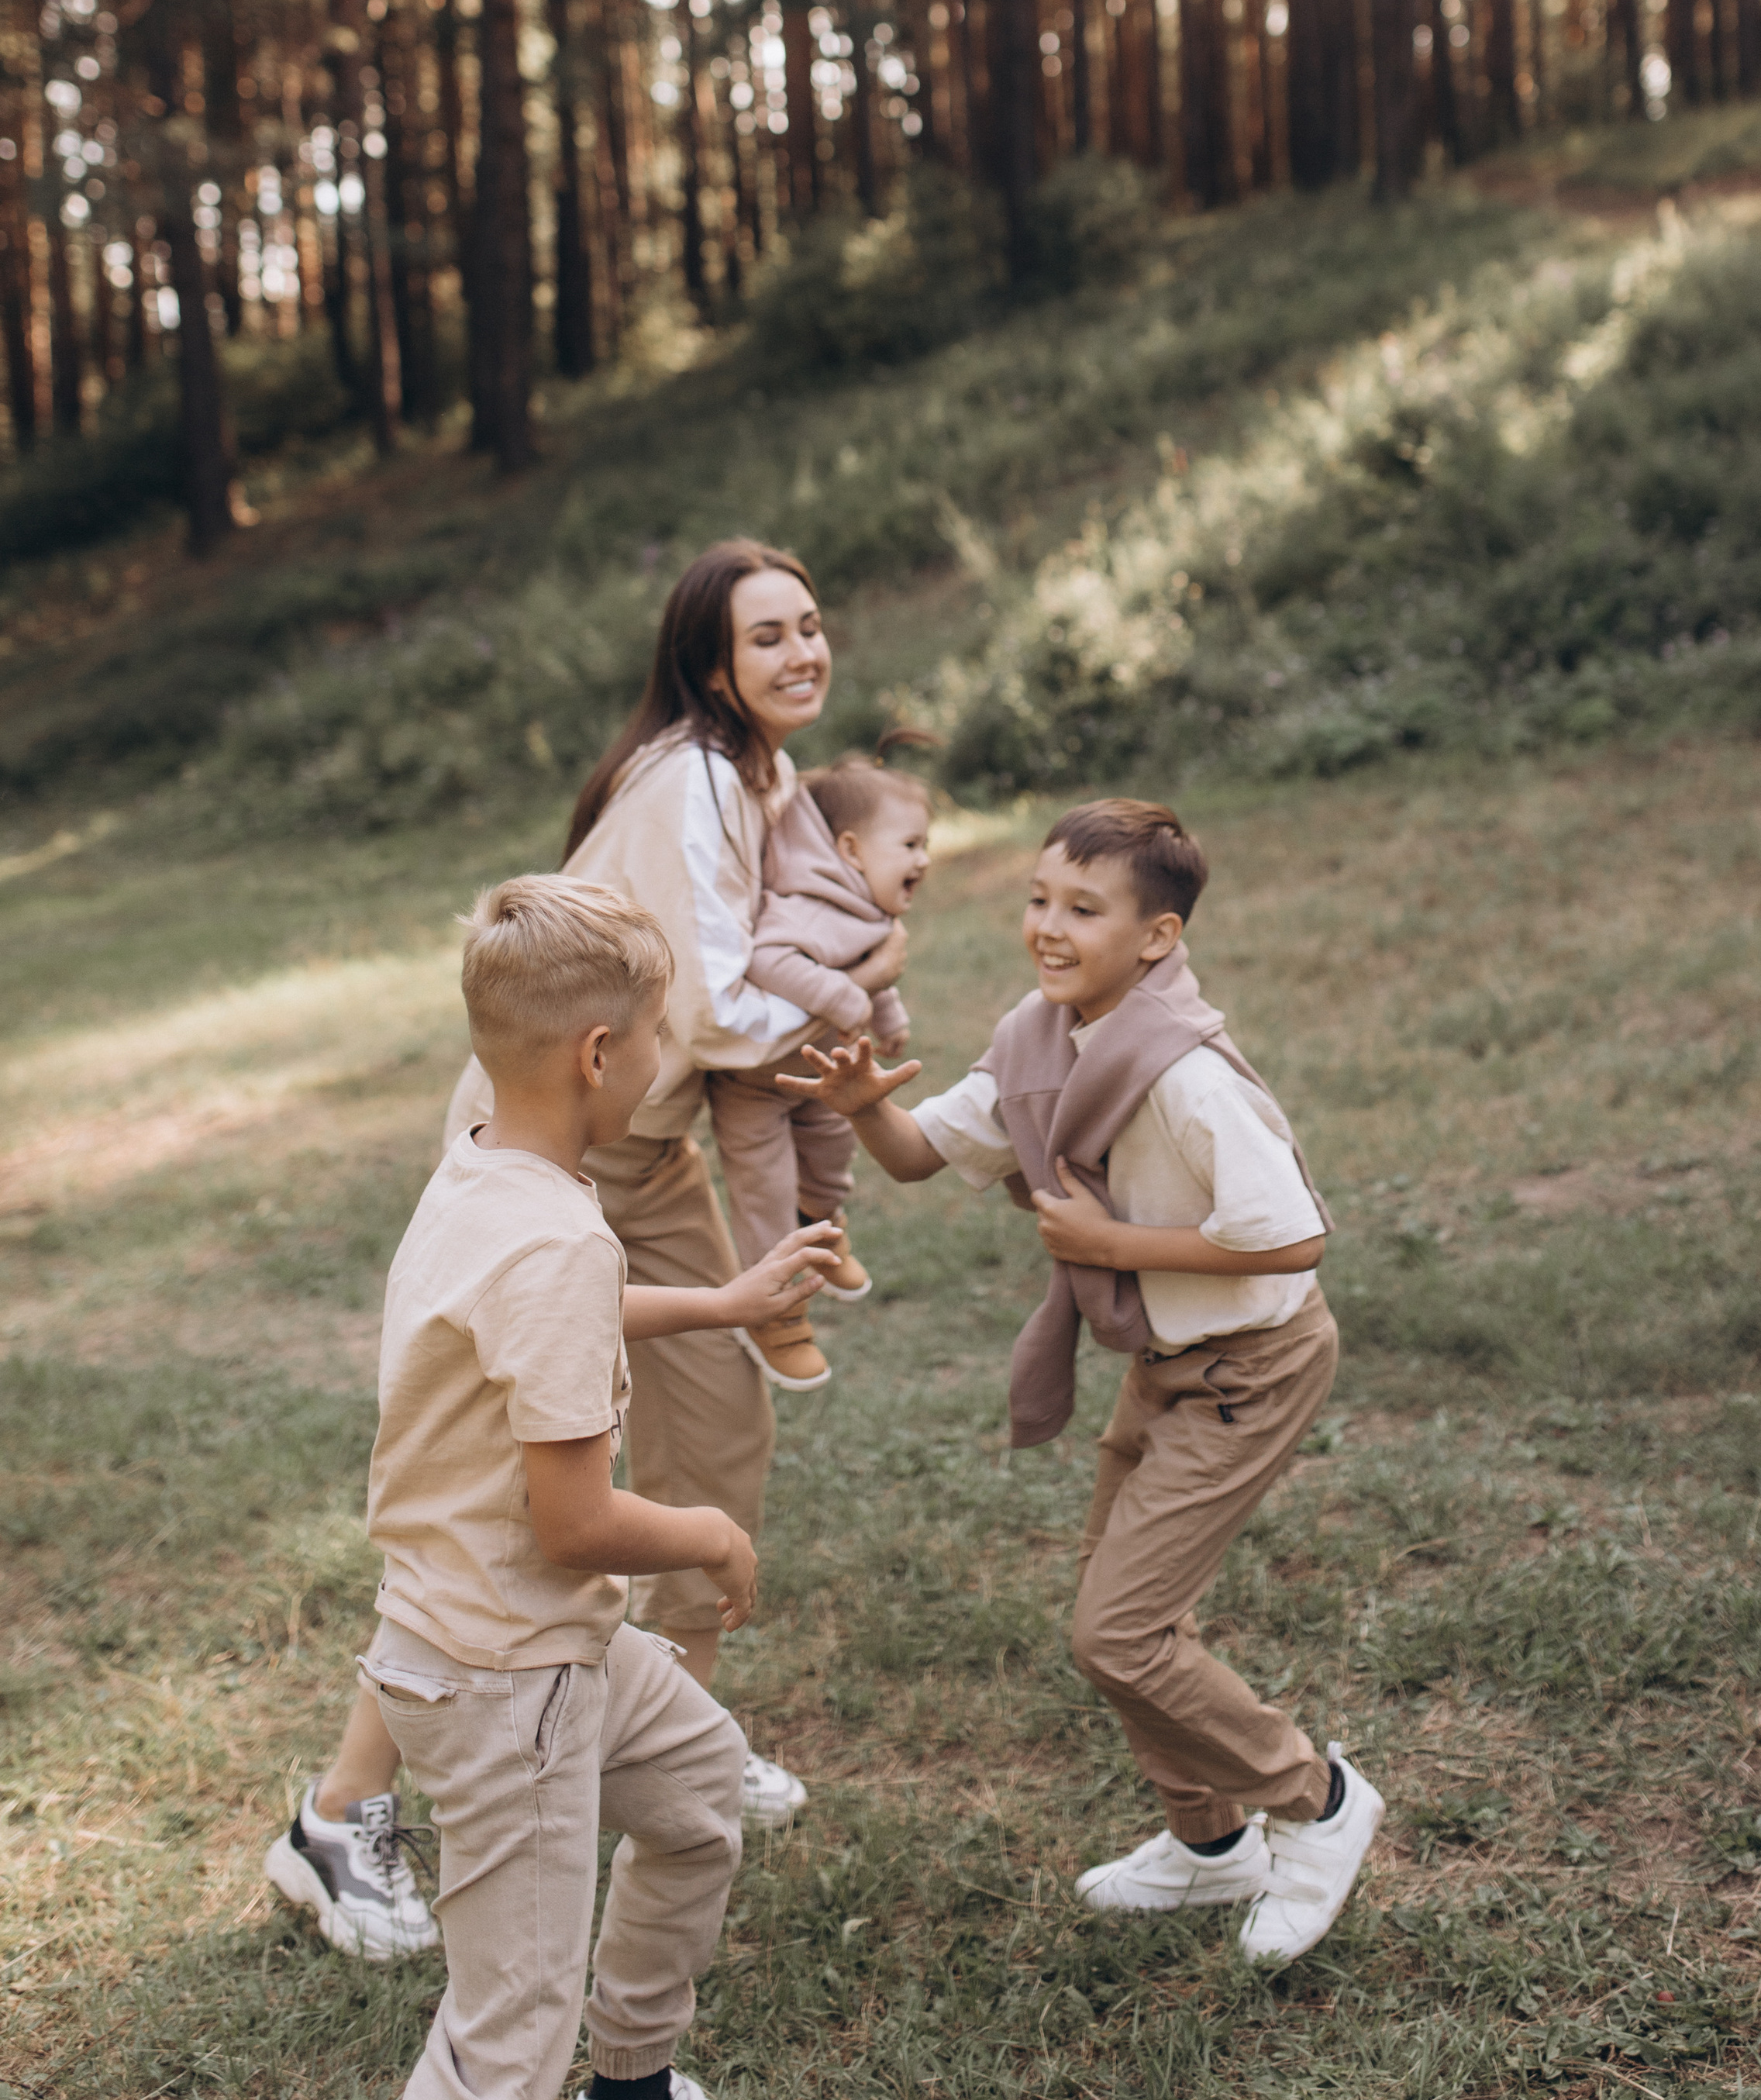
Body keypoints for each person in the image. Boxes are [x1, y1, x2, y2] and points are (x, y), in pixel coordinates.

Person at [266, 539, 901, 1960]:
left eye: (813, 628)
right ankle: (337, 1817)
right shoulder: (684, 781)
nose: (803, 655)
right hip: (558, 1136)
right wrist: (860, 1000)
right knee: (501, 1505)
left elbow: (780, 950)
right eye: (769, 637)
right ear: (708, 663)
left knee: (723, 1415)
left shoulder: (767, 778)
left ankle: (676, 1731)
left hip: (648, 1130)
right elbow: (726, 1005)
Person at [781, 797, 1387, 1971]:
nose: (1048, 927)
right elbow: (920, 1154)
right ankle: (1210, 1846)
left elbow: (1296, 1234)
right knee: (1123, 1614)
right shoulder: (1041, 1036)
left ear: (1158, 937)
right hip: (1165, 1364)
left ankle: (1318, 1799)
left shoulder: (1188, 1074)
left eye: (1083, 908)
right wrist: (864, 1106)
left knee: (1120, 1631)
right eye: (1039, 899)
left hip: (1248, 1369)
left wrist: (1116, 1249)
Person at [359, 872, 836, 2100]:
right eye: (663, 1035)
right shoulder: (558, 1235)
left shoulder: (484, 1171)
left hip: (493, 1639)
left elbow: (542, 1317)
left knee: (694, 1801)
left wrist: (723, 1301)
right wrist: (711, 1533)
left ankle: (629, 2081)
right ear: (599, 1052)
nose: (670, 1057)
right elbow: (574, 1524)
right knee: (510, 2033)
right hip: (508, 1677)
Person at [715, 748, 932, 1391]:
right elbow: (768, 961)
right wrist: (852, 1000)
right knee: (765, 1195)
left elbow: (864, 962)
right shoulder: (805, 906)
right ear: (851, 848)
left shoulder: (864, 909)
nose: (924, 859)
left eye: (928, 844)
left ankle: (820, 1226)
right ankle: (776, 1313)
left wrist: (885, 1015)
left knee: (833, 1153)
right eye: (911, 843)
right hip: (754, 1086)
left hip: (817, 1076)